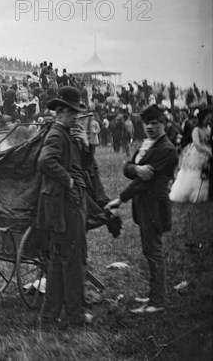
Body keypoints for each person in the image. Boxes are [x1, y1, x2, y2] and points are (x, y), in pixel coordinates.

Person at [106, 105, 179, 314]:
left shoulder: (166, 149)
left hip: (154, 206)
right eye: (147, 123)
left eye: (154, 123)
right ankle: (155, 294)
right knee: (150, 250)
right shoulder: (147, 144)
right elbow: (128, 168)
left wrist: (120, 199)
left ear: (163, 124)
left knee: (154, 251)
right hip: (145, 205)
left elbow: (143, 183)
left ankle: (157, 301)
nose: (150, 127)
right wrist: (136, 168)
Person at [36, 86, 93, 328]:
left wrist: (86, 145)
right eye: (72, 113)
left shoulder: (67, 133)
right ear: (60, 112)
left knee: (58, 262)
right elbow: (45, 161)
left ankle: (49, 315)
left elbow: (83, 166)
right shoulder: (58, 134)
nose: (76, 117)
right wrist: (68, 181)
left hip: (64, 205)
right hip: (66, 205)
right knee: (72, 261)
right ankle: (75, 316)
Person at [169, 111, 211, 203]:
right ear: (201, 120)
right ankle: (192, 194)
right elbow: (197, 144)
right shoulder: (196, 130)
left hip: (207, 151)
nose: (208, 121)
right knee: (195, 172)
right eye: (206, 119)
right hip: (198, 153)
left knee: (206, 172)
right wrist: (207, 150)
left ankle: (206, 193)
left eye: (209, 119)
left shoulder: (208, 128)